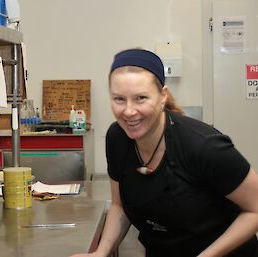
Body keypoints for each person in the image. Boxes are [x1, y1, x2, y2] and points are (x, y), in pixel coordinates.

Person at [70, 49, 258, 257]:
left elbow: (255, 209)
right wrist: (101, 252)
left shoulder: (203, 146)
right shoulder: (117, 138)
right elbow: (119, 205)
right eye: (119, 99)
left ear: (162, 96)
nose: (129, 111)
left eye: (141, 98)